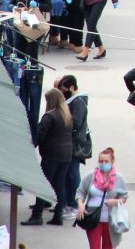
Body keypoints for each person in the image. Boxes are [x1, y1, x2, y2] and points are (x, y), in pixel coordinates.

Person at [26, 88, 74, 225]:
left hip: (51, 154)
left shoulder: (49, 116)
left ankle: (37, 215)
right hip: (66, 155)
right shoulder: (67, 115)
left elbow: (40, 135)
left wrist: (33, 144)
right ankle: (58, 215)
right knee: (60, 185)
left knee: (43, 185)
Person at [75, 148, 128, 249]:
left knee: (108, 247)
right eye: (101, 161)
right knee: (94, 247)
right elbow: (80, 192)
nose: (103, 164)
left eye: (106, 161)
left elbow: (124, 197)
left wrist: (115, 201)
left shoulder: (118, 178)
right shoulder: (91, 176)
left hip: (110, 220)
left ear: (112, 161)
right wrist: (80, 205)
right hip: (93, 218)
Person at [57, 75, 91, 222]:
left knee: (72, 174)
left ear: (71, 87)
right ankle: (68, 203)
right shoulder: (74, 101)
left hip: (75, 145)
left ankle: (74, 204)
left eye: (64, 89)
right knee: (68, 175)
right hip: (70, 144)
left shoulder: (77, 103)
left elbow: (75, 123)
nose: (62, 92)